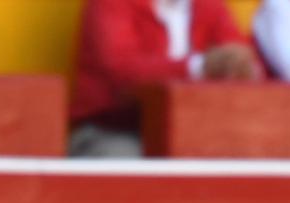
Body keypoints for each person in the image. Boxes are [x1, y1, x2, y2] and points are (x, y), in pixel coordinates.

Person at [70, 0, 264, 159]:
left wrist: (242, 66)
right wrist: (198, 67)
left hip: (192, 134)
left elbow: (241, 60)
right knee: (126, 172)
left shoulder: (208, 5)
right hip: (113, 130)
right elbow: (121, 72)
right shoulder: (111, 3)